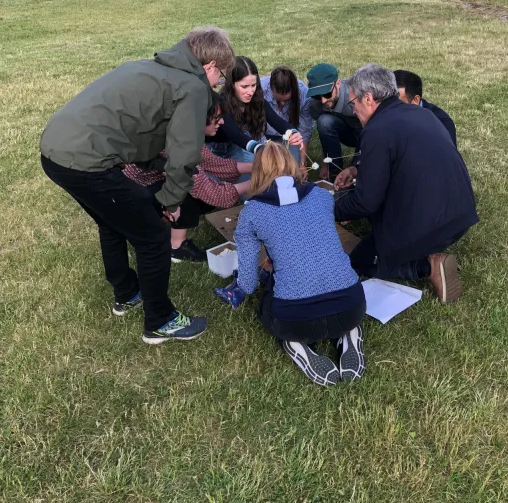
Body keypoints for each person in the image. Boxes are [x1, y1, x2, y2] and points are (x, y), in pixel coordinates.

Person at [40, 26, 234, 345]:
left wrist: (156, 171)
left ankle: (127, 293)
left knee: (111, 222)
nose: (218, 84)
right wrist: (170, 202)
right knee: (154, 235)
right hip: (87, 162)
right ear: (211, 66)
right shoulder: (193, 88)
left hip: (54, 151)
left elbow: (139, 135)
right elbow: (185, 156)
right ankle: (160, 320)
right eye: (222, 77)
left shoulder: (148, 67)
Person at [214, 143, 366, 386]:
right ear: (291, 164)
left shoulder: (252, 212)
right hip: (352, 305)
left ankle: (299, 346)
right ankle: (349, 334)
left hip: (296, 318)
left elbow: (248, 283)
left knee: (267, 307)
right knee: (333, 304)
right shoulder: (320, 195)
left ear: (257, 171)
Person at [334, 64, 478, 303]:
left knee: (360, 262)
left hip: (432, 225)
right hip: (461, 214)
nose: (354, 110)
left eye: (353, 103)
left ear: (368, 99)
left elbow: (366, 202)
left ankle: (426, 267)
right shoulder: (424, 113)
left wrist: (326, 209)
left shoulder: (377, 130)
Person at [122, 92, 252, 263]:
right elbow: (209, 191)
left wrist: (257, 166)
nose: (221, 122)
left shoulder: (187, 130)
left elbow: (213, 163)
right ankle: (176, 247)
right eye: (217, 117)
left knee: (199, 187)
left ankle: (165, 218)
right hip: (133, 193)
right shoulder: (178, 144)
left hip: (148, 183)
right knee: (189, 191)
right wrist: (256, 182)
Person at [214, 56, 303, 170]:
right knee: (260, 166)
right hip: (223, 150)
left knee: (291, 146)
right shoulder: (221, 104)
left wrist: (293, 132)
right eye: (244, 86)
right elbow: (236, 135)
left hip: (248, 142)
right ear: (232, 84)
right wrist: (262, 150)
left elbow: (276, 121)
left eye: (253, 85)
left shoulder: (256, 99)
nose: (250, 91)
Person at [306, 63, 362, 180]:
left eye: (327, 94)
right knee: (324, 122)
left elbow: (374, 128)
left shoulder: (354, 97)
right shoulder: (316, 103)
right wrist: (326, 163)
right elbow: (324, 133)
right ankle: (334, 172)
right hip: (347, 132)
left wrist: (356, 166)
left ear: (338, 83)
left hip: (365, 131)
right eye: (317, 96)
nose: (322, 101)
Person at [261, 66, 313, 172]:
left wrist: (302, 164)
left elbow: (304, 130)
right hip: (263, 136)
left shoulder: (304, 94)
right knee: (267, 170)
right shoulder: (260, 90)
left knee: (293, 171)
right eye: (278, 100)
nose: (282, 104)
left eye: (287, 100)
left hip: (290, 138)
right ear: (271, 88)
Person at [394, 69, 457, 146]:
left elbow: (446, 156)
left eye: (396, 103)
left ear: (415, 100)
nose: (389, 107)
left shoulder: (442, 123)